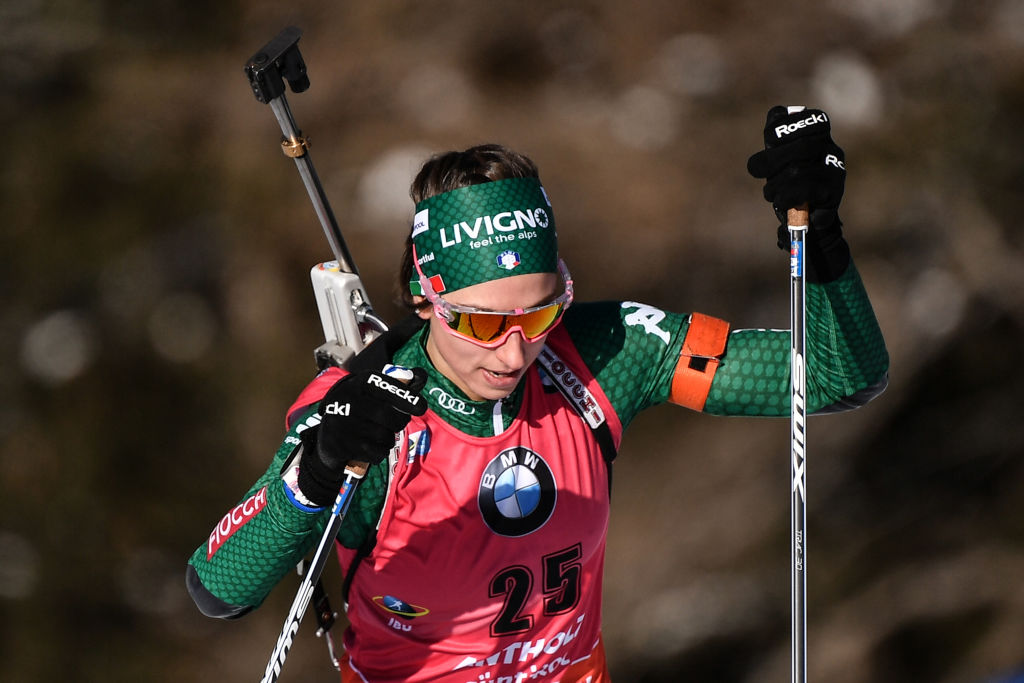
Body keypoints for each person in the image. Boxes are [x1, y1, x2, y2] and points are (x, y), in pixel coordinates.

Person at [187, 107, 889, 683]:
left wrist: (821, 239)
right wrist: (313, 471)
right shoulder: (369, 409)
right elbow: (216, 587)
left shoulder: (602, 352)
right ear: (424, 298)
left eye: (542, 311)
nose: (515, 349)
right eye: (481, 322)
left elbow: (835, 376)